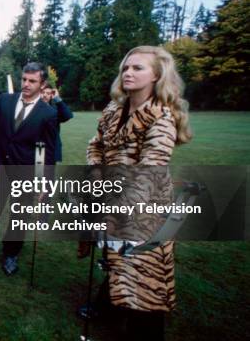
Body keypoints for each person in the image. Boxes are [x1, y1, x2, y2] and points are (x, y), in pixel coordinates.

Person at [85, 46, 192, 340]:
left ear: (157, 75)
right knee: (117, 260)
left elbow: (149, 171)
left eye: (138, 68)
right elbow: (95, 146)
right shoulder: (113, 109)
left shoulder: (162, 117)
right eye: (126, 68)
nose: (129, 73)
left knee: (145, 279)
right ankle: (106, 307)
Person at [0, 62, 57, 276]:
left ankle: (10, 255)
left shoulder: (48, 113)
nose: (26, 84)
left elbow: (46, 150)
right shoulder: (5, 101)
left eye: (32, 81)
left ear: (42, 84)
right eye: (24, 79)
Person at [41, 82, 73, 163]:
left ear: (51, 95)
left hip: (50, 150)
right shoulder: (32, 108)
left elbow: (68, 116)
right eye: (43, 92)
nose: (45, 95)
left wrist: (58, 99)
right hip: (35, 148)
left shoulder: (55, 110)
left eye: (47, 93)